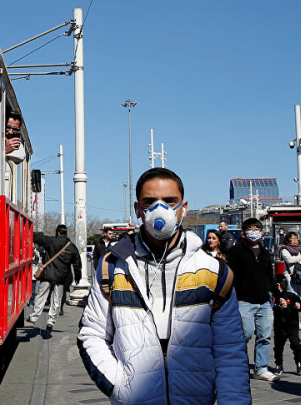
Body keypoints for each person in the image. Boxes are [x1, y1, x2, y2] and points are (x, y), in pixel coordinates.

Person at [78, 168, 250, 404]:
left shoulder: (214, 272)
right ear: (139, 210)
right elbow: (92, 334)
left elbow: (229, 349)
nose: (161, 210)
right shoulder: (113, 267)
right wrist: (121, 386)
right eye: (149, 202)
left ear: (184, 207)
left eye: (170, 201)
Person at [227, 217, 283, 382]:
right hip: (244, 301)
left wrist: (278, 295)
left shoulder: (265, 252)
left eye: (257, 229)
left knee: (265, 336)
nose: (254, 232)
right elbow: (231, 276)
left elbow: (269, 277)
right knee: (245, 334)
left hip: (264, 301)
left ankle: (261, 368)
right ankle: (237, 366)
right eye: (251, 229)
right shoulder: (236, 251)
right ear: (243, 233)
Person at [30, 224, 80, 330]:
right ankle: (51, 321)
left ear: (57, 232)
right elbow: (77, 263)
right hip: (61, 278)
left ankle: (33, 318)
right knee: (56, 300)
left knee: (41, 296)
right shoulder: (72, 247)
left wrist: (29, 230)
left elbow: (37, 238)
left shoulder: (50, 241)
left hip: (48, 275)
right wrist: (78, 276)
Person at [273, 274, 301, 376]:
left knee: (296, 344)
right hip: (279, 327)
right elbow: (271, 307)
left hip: (292, 326)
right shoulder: (274, 298)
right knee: (278, 347)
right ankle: (279, 364)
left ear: (278, 285)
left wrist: (299, 305)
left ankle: (299, 362)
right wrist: (278, 306)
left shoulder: (291, 295)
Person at [279, 231, 301, 299]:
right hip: (291, 276)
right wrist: (300, 258)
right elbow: (289, 260)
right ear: (288, 240)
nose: (295, 240)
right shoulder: (285, 249)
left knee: (300, 296)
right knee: (292, 295)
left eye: (296, 238)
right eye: (292, 238)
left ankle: (300, 307)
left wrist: (297, 259)